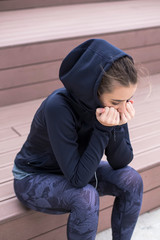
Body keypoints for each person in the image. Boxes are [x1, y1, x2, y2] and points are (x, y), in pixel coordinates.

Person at [13, 39, 143, 240]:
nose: (123, 108)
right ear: (92, 92)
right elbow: (78, 180)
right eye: (116, 102)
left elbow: (120, 162)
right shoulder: (58, 107)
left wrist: (115, 127)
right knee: (85, 196)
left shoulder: (113, 106)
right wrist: (102, 129)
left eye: (127, 100)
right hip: (34, 177)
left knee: (132, 179)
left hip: (78, 169)